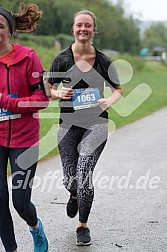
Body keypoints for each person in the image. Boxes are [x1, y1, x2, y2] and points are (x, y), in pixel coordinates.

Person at [48, 10, 122, 246]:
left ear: (93, 30)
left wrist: (108, 101)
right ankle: (73, 193)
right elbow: (48, 87)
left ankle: (83, 225)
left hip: (97, 124)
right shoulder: (62, 59)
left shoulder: (103, 61)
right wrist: (59, 92)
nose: (83, 29)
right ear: (73, 28)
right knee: (70, 180)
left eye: (87, 25)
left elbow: (118, 89)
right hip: (68, 124)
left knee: (84, 170)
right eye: (79, 25)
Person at [0, 3, 49, 252]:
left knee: (20, 202)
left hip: (24, 139)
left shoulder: (28, 58)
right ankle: (11, 249)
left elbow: (42, 99)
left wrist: (6, 101)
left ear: (9, 31)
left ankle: (34, 227)